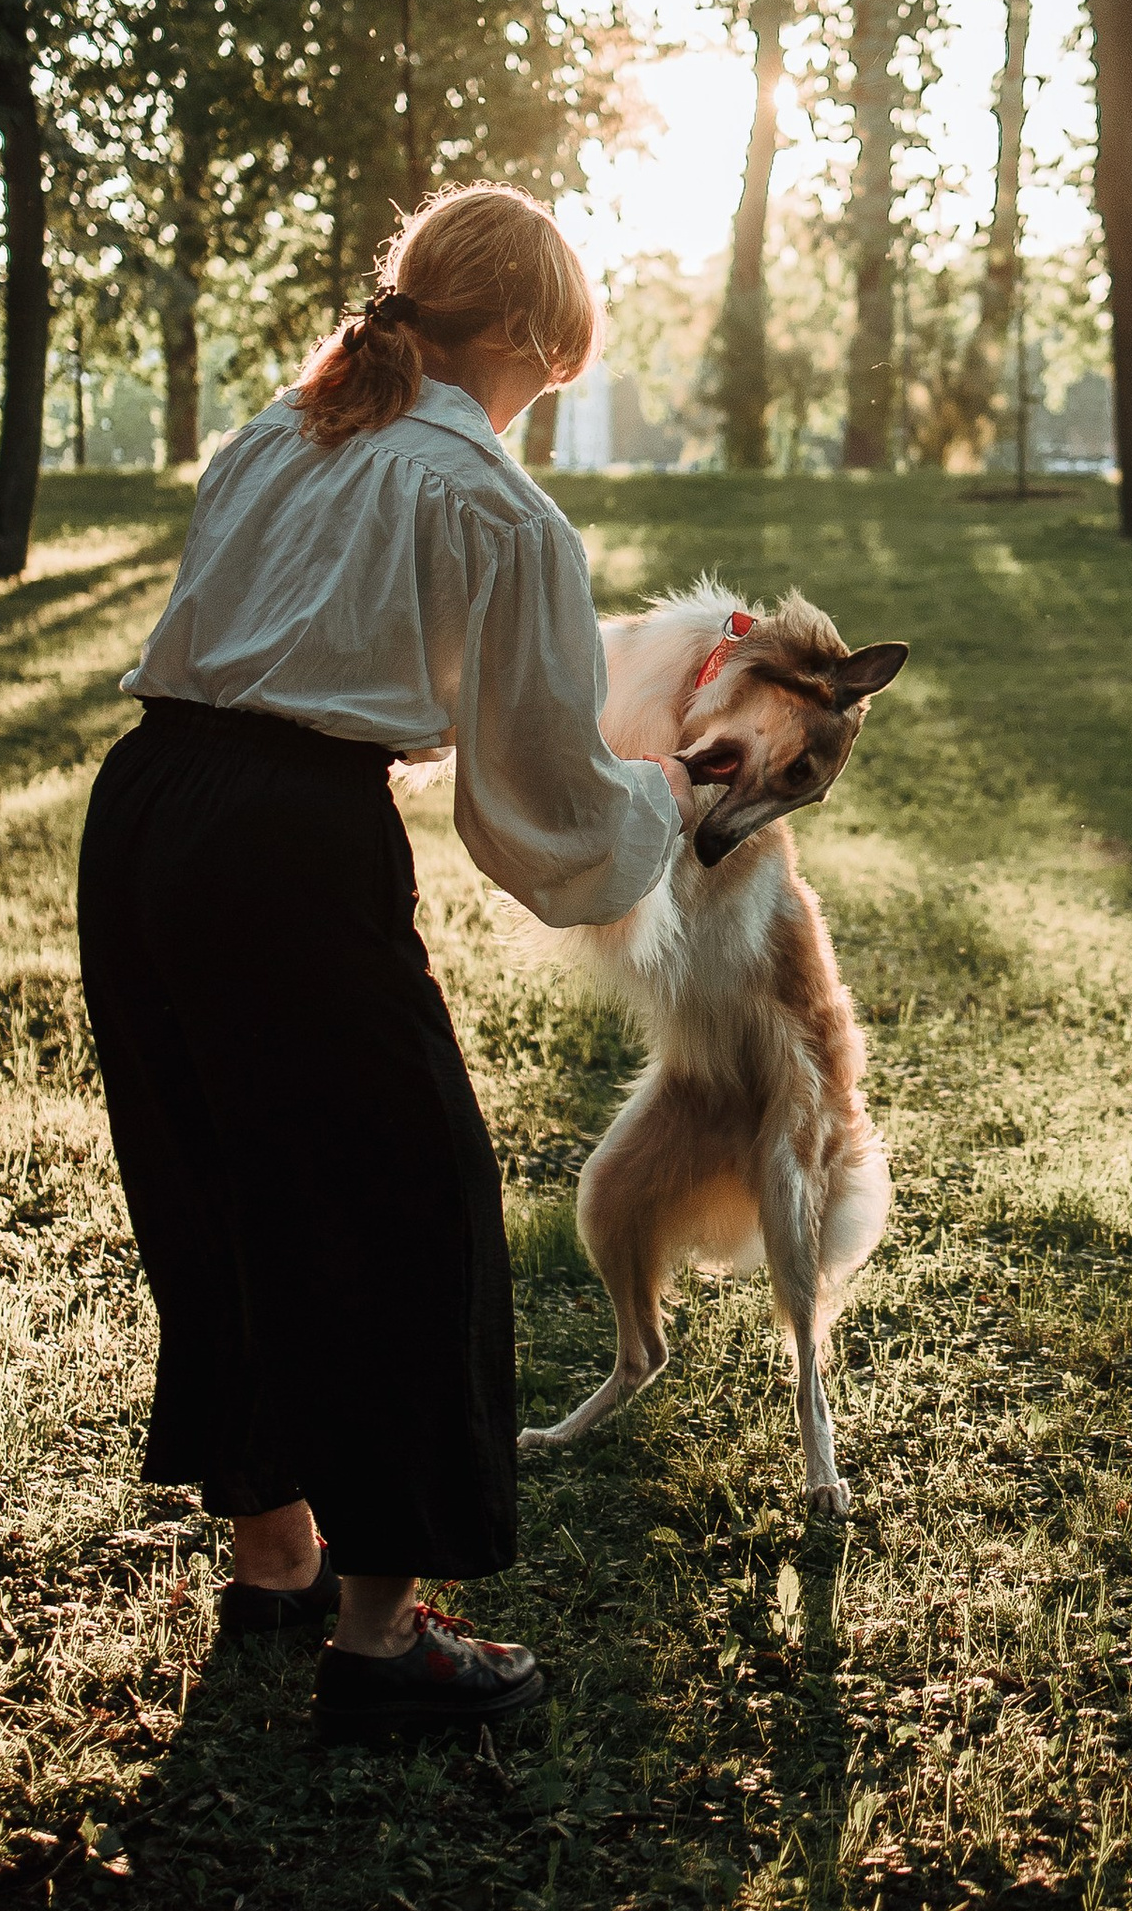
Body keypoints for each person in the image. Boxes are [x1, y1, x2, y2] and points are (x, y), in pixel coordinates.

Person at [76, 184, 698, 1744]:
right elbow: (546, 807)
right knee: (402, 1198)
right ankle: (379, 1635)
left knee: (217, 1173)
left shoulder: (280, 434)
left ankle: (273, 1557)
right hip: (283, 849)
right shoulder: (492, 502)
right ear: (551, 344)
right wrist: (676, 796)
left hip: (146, 810)